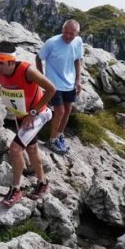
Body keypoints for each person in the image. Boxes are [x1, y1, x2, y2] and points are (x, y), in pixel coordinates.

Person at [0, 41, 56, 206]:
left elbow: (51, 89)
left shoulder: (27, 70)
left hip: (38, 114)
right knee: (31, 149)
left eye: (1, 63)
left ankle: (16, 189)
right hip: (20, 114)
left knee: (15, 149)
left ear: (11, 62)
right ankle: (42, 182)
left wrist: (33, 112)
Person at [35, 20, 84, 154]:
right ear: (62, 30)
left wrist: (78, 80)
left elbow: (77, 60)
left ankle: (59, 135)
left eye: (71, 34)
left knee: (68, 110)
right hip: (54, 84)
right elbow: (38, 58)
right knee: (60, 112)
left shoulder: (78, 41)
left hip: (69, 83)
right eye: (65, 32)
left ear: (77, 33)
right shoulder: (51, 42)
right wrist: (42, 78)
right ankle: (52, 140)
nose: (68, 36)